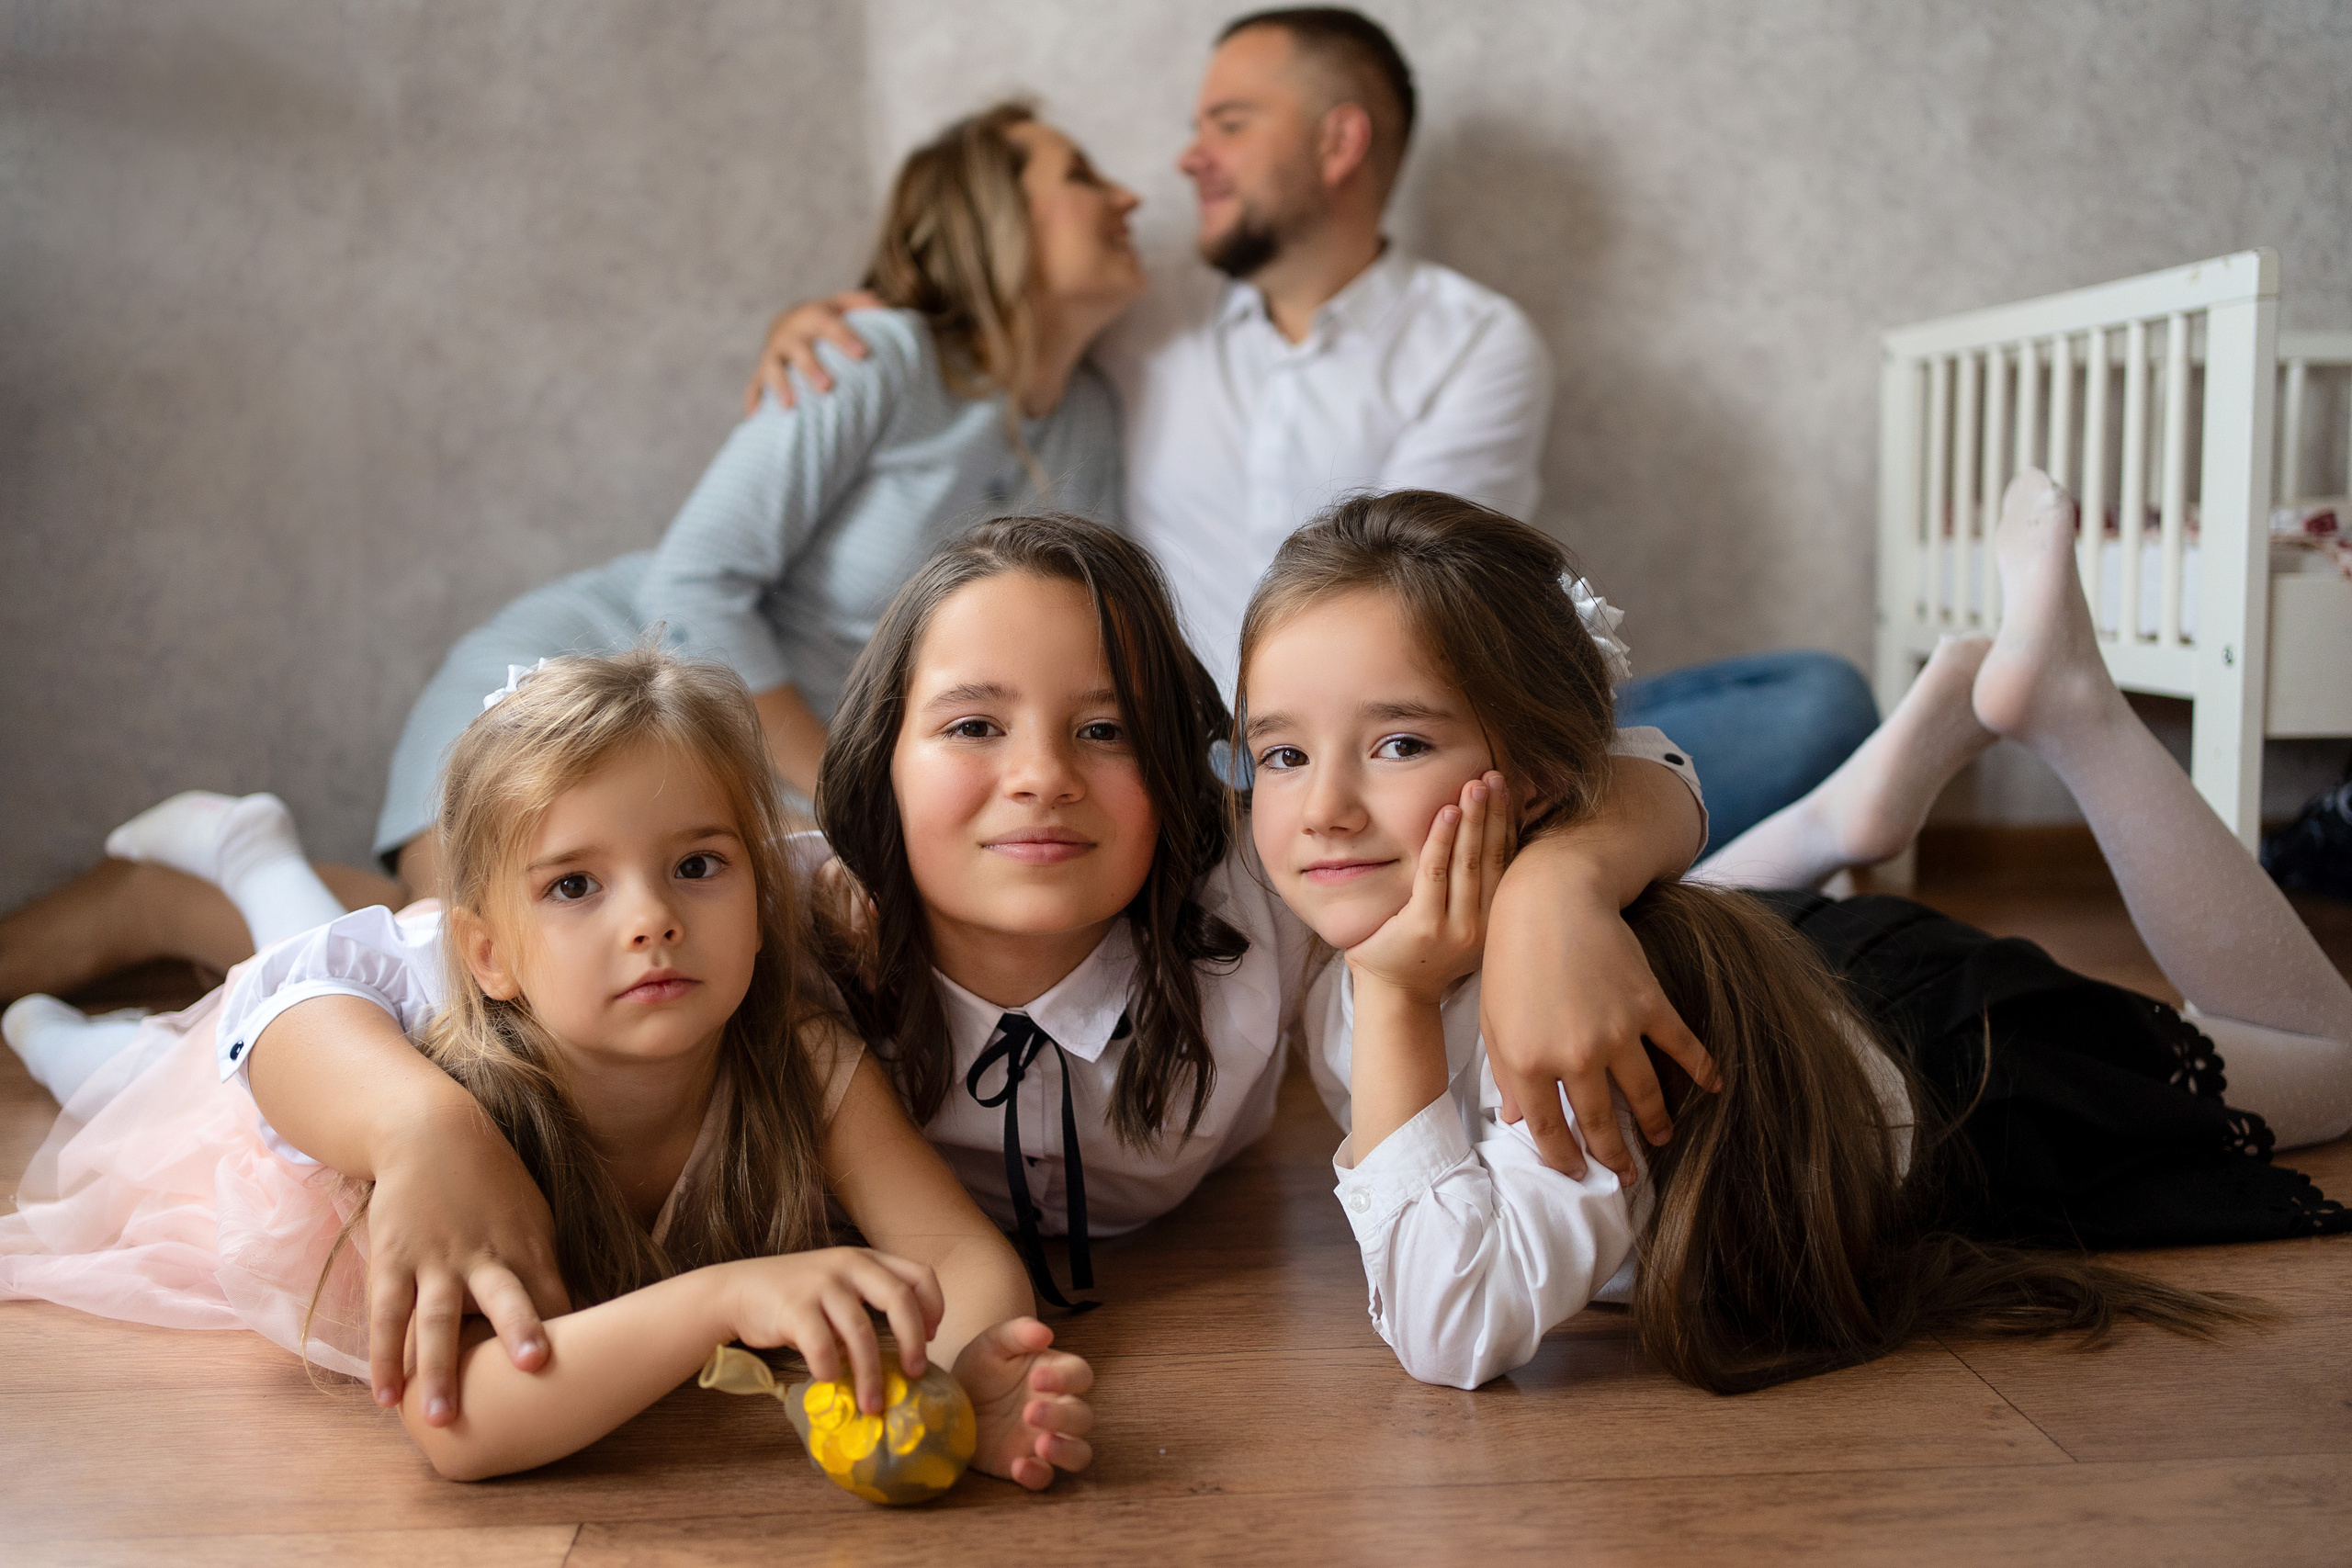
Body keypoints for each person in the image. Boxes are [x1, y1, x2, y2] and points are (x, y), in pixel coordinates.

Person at [187, 513, 1719, 1418]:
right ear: (877, 763)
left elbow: (1629, 752)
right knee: (229, 1005)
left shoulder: (1265, 889)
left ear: (1191, 773)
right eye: (974, 725)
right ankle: (239, 862)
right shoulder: (787, 897)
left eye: (1103, 727)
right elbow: (294, 994)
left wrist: (1565, 886)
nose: (1039, 776)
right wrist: (422, 1128)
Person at [0, 96, 1141, 1008]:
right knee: (496, 989)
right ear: (991, 214)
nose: (1128, 194)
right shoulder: (875, 357)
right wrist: (856, 800)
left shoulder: (1083, 417)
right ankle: (155, 905)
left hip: (733, 761)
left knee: (666, 984)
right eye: (1083, 175)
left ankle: (202, 895)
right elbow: (691, 592)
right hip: (581, 679)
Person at [1236, 479, 2351, 1392]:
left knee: (2333, 1069)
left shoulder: (1563, 1031)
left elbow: (1453, 1325)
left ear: (1533, 779)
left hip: (1945, 1048)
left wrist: (1389, 999)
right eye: (1281, 755)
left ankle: (2072, 706)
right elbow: (1645, 768)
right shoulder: (1365, 931)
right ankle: (1840, 817)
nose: (1322, 806)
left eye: (1394, 746)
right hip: (1774, 966)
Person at [748, 6, 1879, 844]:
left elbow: (1424, 606)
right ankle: (1576, 850)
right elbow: (984, 325)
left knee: (1819, 698)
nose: (1189, 158)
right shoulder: (1142, 318)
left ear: (1339, 146)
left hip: (1395, 744)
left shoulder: (1475, 342)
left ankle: (1524, 834)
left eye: (1229, 124)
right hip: (1191, 759)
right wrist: (832, 317)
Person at [2, 648, 1096, 1485]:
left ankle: (224, 884)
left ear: (763, 900)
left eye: (699, 866)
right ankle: (67, 1019)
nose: (653, 920)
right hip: (270, 1124)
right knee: (131, 1077)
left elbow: (955, 1248)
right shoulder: (478, 1095)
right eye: (576, 885)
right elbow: (460, 1427)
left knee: (161, 1039)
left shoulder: (801, 1059)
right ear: (486, 953)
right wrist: (725, 1297)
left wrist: (956, 1379)